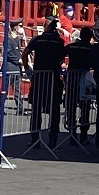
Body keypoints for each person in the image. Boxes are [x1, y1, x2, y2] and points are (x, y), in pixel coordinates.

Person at [21, 17, 65, 149]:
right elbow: (61, 58)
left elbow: (25, 53)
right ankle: (53, 139)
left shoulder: (38, 39)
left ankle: (35, 139)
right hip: (54, 78)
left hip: (39, 78)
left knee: (36, 109)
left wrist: (27, 69)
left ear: (45, 26)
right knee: (54, 110)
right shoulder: (59, 41)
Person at [64, 27, 94, 145]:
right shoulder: (91, 49)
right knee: (85, 108)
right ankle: (84, 135)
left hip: (72, 78)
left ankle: (72, 133)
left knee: (71, 107)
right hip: (85, 79)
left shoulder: (72, 46)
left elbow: (63, 51)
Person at [5, 18, 25, 115]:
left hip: (16, 68)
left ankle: (20, 109)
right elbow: (8, 53)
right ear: (15, 27)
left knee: (17, 90)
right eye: (20, 26)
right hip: (10, 68)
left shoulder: (16, 38)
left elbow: (17, 52)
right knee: (5, 89)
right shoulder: (8, 38)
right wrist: (18, 60)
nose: (21, 28)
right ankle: (0, 107)